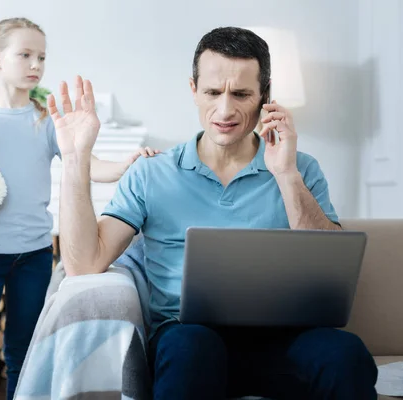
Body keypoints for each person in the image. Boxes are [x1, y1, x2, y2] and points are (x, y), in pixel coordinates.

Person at [48, 27, 378, 399]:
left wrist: (286, 175)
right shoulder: (152, 172)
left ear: (264, 96)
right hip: (188, 340)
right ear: (193, 90)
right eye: (212, 92)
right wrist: (76, 160)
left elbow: (330, 263)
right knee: (191, 347)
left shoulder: (301, 169)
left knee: (346, 354)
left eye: (240, 94)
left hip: (285, 339)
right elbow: (83, 264)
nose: (224, 110)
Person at [0, 17, 157, 400]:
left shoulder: (46, 121)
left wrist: (128, 163)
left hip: (33, 256)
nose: (36, 65)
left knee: (24, 357)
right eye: (25, 55)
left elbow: (88, 163)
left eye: (42, 57)